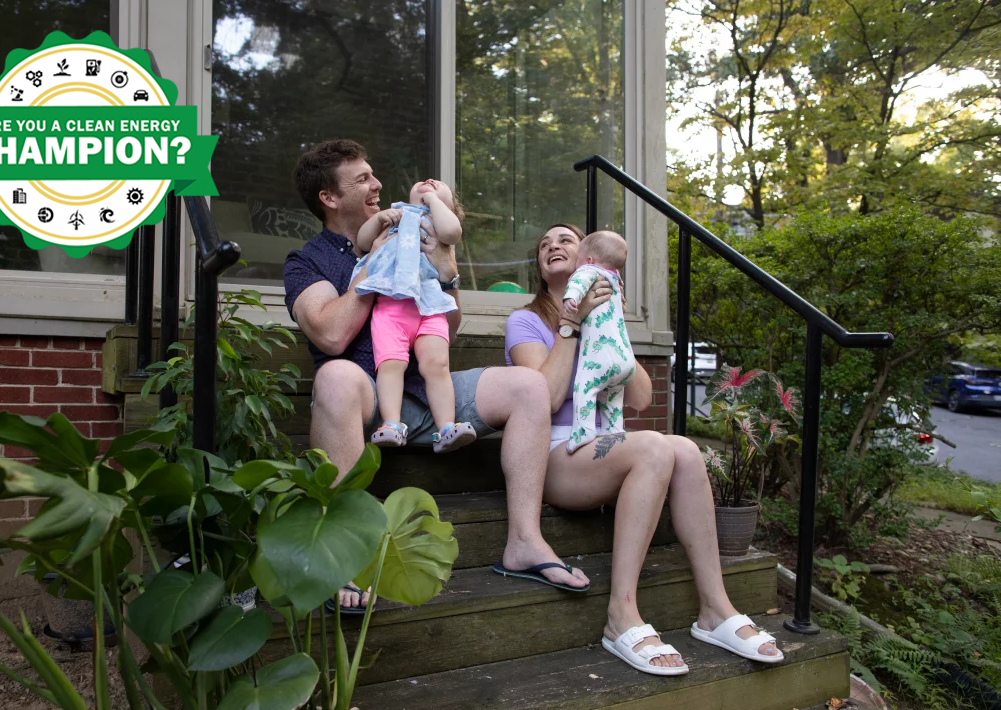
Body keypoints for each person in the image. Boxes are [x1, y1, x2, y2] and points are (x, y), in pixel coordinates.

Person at [283, 140, 590, 613]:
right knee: (336, 377)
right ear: (328, 197)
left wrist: (446, 276)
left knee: (528, 385)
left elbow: (448, 326)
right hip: (365, 397)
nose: (377, 184)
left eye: (373, 174)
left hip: (428, 389)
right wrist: (376, 267)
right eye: (362, 178)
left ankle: (525, 542)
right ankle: (340, 555)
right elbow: (329, 334)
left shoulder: (411, 229)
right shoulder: (307, 262)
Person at [504, 223, 784, 676]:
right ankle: (621, 614)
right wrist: (572, 324)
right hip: (553, 453)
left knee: (687, 451)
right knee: (654, 447)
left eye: (565, 241)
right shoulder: (525, 321)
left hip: (602, 445)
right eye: (544, 244)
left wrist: (611, 323)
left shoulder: (608, 310)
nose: (553, 246)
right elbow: (548, 397)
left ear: (592, 259)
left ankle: (716, 608)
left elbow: (639, 398)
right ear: (540, 265)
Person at [353, 179, 476, 453]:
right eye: (425, 183)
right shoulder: (395, 216)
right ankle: (392, 424)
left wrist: (433, 202)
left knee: (437, 366)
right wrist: (379, 220)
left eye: (440, 186)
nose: (430, 182)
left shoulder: (439, 226)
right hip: (391, 306)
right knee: (390, 365)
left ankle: (446, 427)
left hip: (429, 308)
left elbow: (453, 231)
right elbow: (363, 242)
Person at [559, 230, 633, 452]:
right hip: (624, 359)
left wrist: (571, 298)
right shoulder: (615, 280)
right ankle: (614, 431)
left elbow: (579, 281)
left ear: (589, 260)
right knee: (612, 398)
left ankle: (584, 431)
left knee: (586, 388)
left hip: (600, 357)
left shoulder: (588, 270)